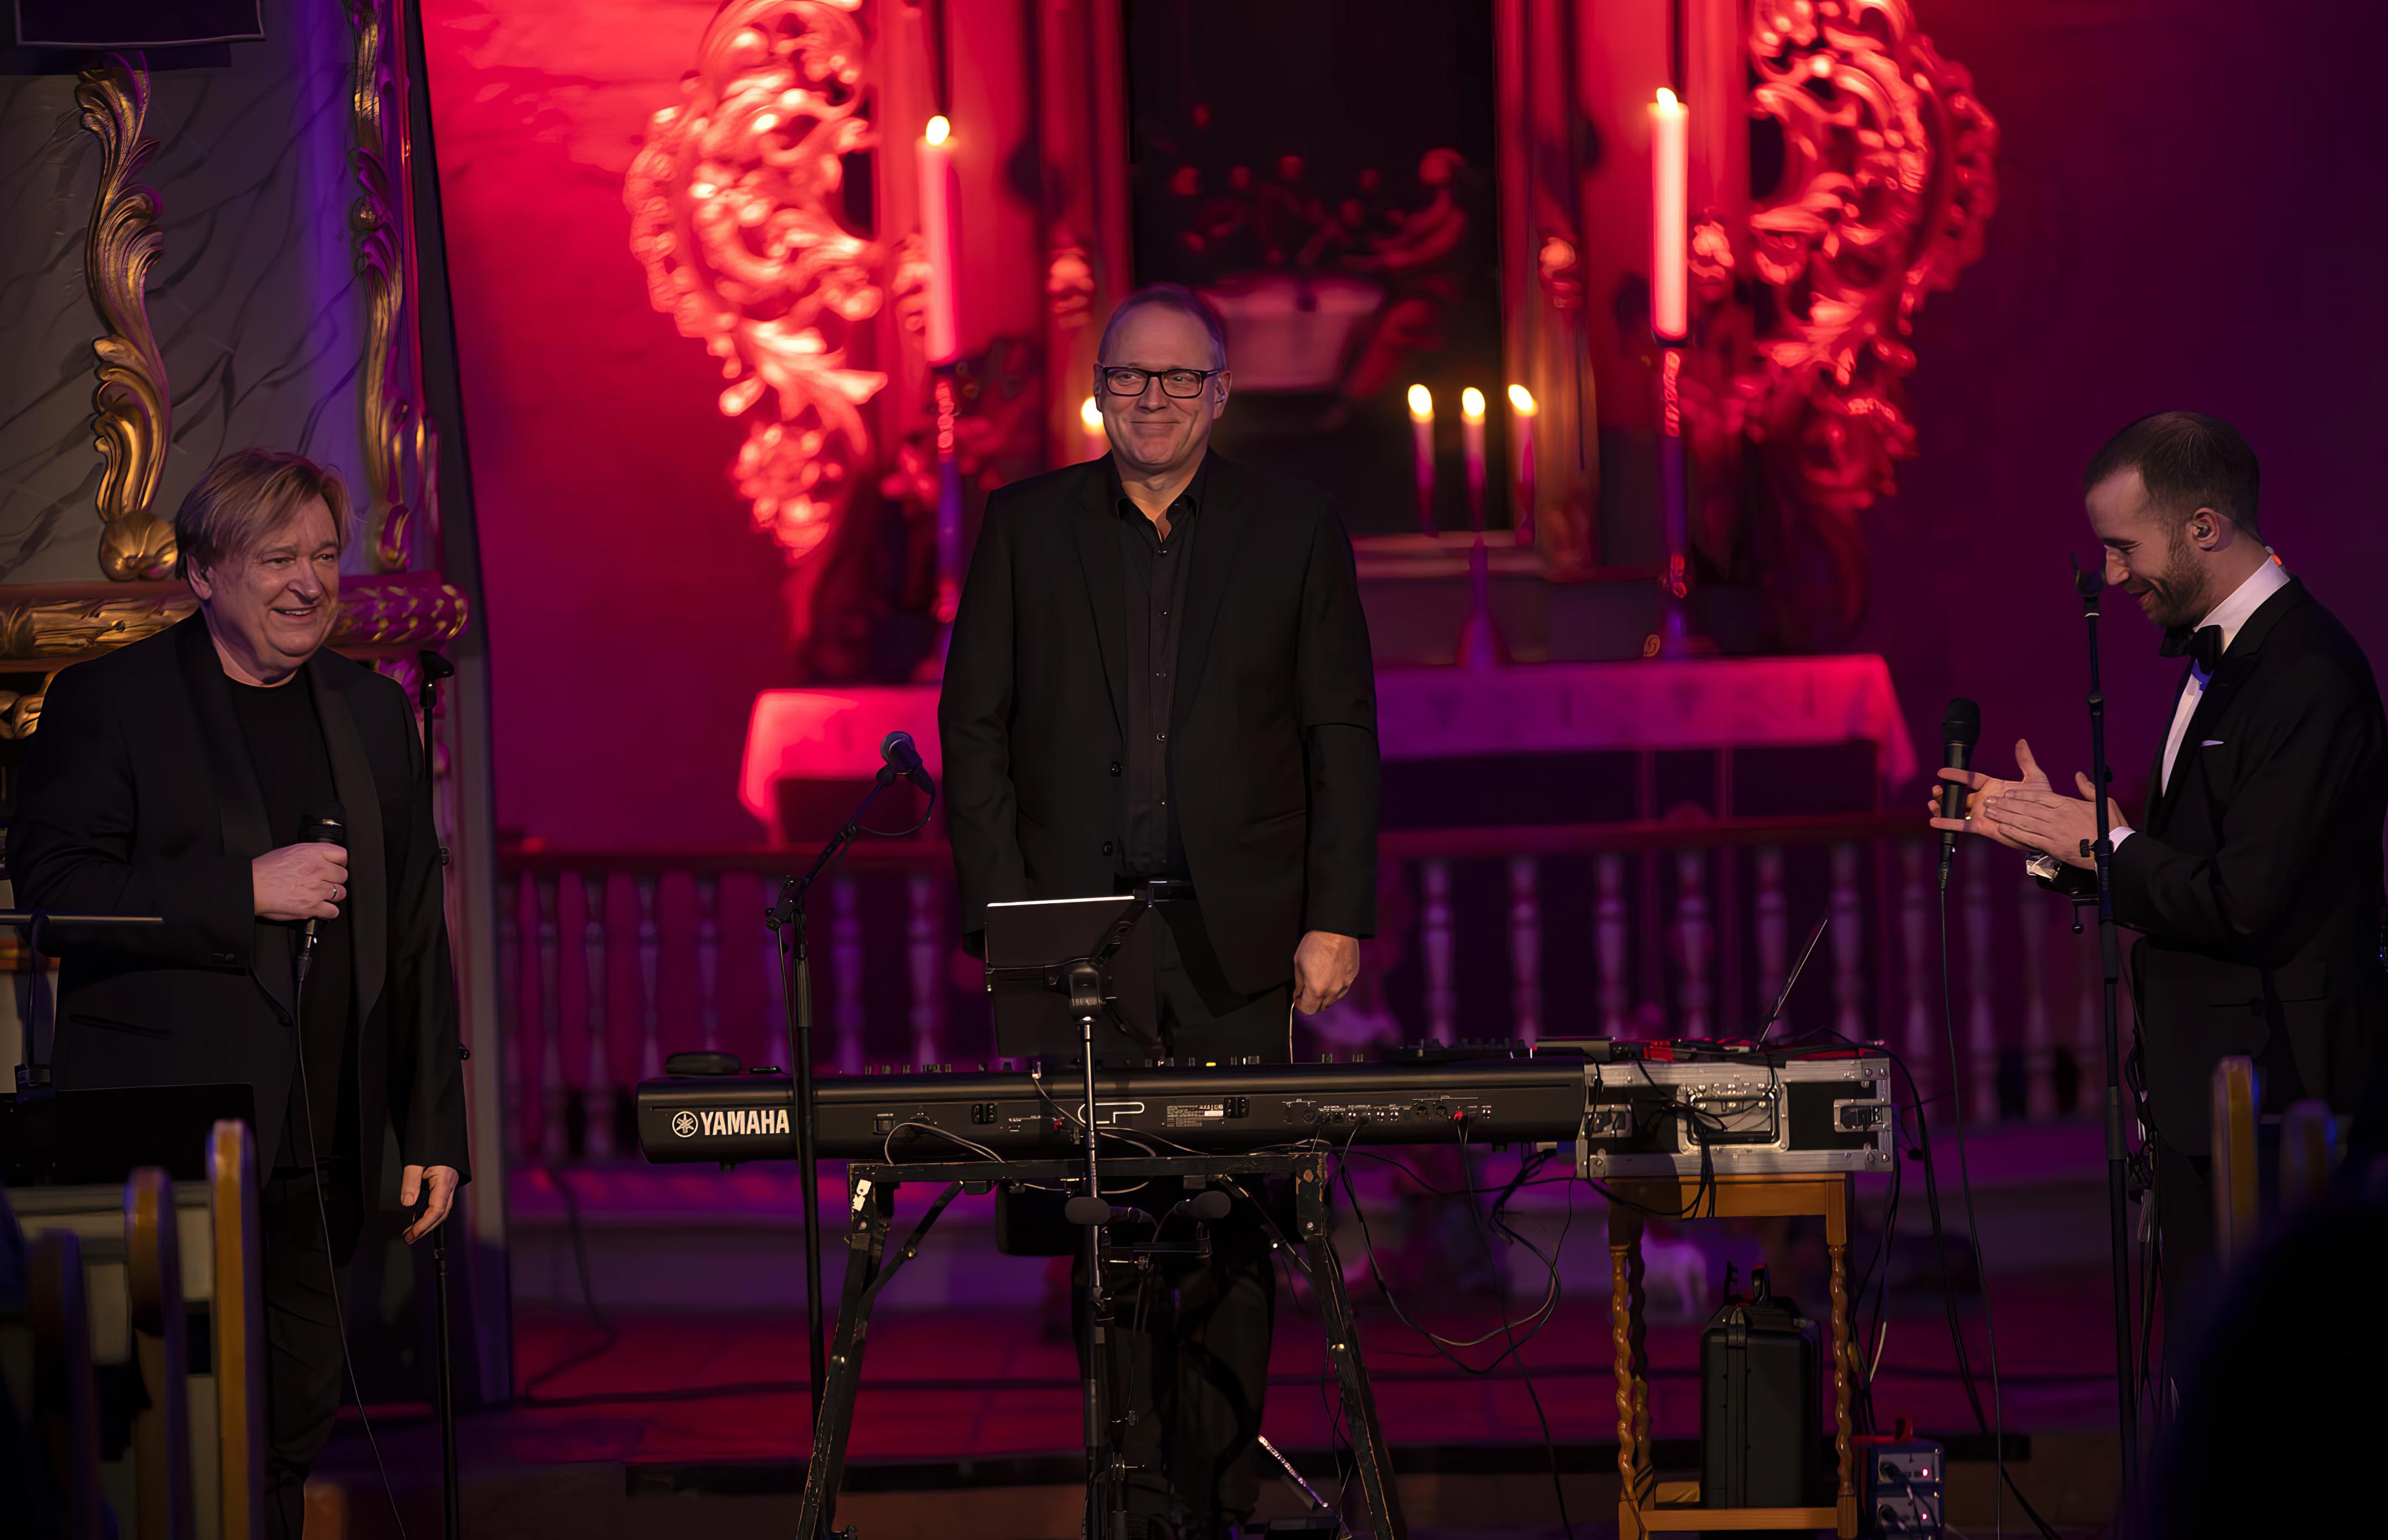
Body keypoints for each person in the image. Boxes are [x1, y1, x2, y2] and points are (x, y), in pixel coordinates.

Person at [940, 283, 1378, 1539]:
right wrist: (1008, 917)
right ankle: (1128, 1504)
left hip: (1239, 941)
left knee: (1239, 1235)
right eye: (1131, 376)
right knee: (1104, 1235)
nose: (1151, 398)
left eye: (1179, 379)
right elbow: (974, 733)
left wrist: (1335, 913)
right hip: (1079, 949)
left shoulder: (1293, 529)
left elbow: (1339, 730)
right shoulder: (1026, 528)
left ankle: (1217, 1497)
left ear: (1220, 395)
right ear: (1098, 390)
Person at [8, 448, 470, 1537]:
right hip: (165, 1138)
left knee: (291, 1418)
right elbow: (55, 899)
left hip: (325, 1140)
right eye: (277, 559)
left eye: (324, 554)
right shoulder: (109, 703)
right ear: (204, 573)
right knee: (174, 1430)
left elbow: (412, 933)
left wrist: (432, 1121)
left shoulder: (368, 710)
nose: (310, 582)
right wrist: (239, 891)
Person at [1933, 411, 2386, 1348]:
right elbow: (2179, 866)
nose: (2110, 576)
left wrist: (2105, 846)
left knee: (2269, 1382)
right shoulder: (2223, 664)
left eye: (2122, 548)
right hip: (2203, 1100)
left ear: (2205, 529)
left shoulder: (2310, 674)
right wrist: (2058, 840)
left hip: (2276, 1099)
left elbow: (2242, 898)